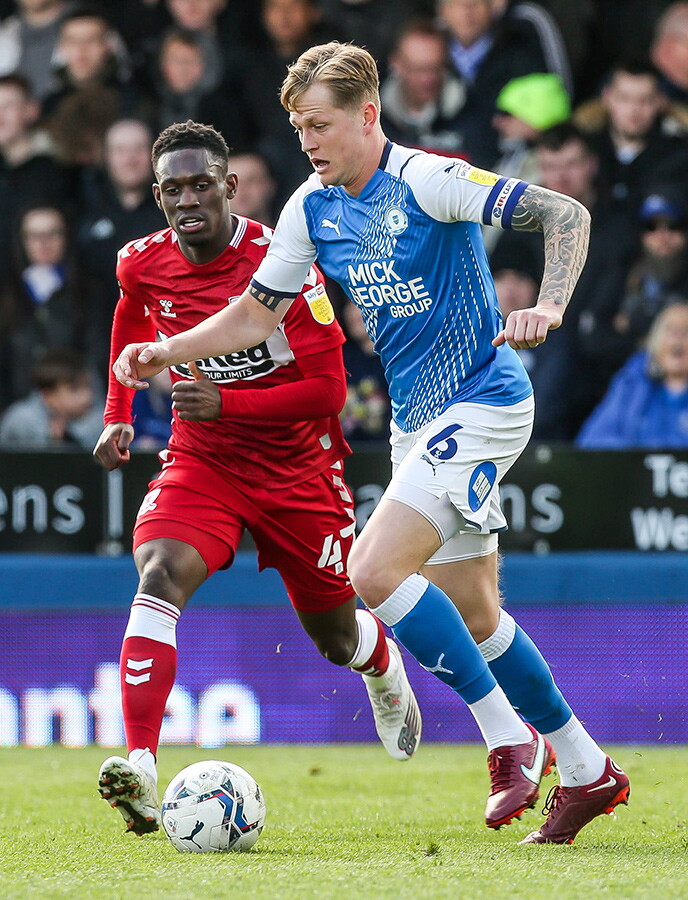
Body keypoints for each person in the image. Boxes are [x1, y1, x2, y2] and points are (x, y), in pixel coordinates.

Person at [113, 43, 630, 845]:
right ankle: (589, 768)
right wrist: (166, 351)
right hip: (417, 423)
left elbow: (567, 216)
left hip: (484, 400)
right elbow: (254, 314)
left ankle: (509, 738)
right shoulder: (310, 208)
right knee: (477, 613)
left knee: (373, 569)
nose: (308, 142)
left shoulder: (429, 179)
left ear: (366, 114)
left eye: (320, 125)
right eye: (298, 128)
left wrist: (550, 305)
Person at [96, 120, 422, 837]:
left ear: (230, 187)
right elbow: (130, 320)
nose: (188, 200)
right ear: (157, 195)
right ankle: (141, 766)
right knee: (159, 572)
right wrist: (118, 411)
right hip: (204, 460)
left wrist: (227, 401)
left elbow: (329, 391)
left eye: (201, 185)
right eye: (173, 189)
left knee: (333, 637)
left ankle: (379, 661)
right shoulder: (141, 264)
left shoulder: (283, 265)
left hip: (298, 470)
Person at [577, 301, 688, 448]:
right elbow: (592, 441)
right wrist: (639, 456)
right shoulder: (632, 381)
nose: (678, 338)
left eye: (686, 331)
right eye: (670, 330)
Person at [0, 346, 103, 447]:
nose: (87, 396)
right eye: (74, 389)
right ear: (48, 395)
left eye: (88, 386)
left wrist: (68, 437)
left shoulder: (100, 421)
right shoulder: (20, 421)